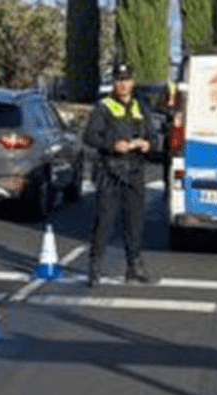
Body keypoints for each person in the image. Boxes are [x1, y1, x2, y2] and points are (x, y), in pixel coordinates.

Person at [82, 61, 157, 287]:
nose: (122, 84)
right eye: (118, 80)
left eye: (126, 80)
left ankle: (133, 266)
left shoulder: (140, 107)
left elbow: (154, 137)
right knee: (104, 221)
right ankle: (95, 268)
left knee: (134, 222)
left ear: (132, 82)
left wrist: (148, 144)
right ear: (114, 83)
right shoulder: (103, 107)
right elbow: (90, 137)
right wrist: (112, 145)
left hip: (135, 170)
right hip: (111, 171)